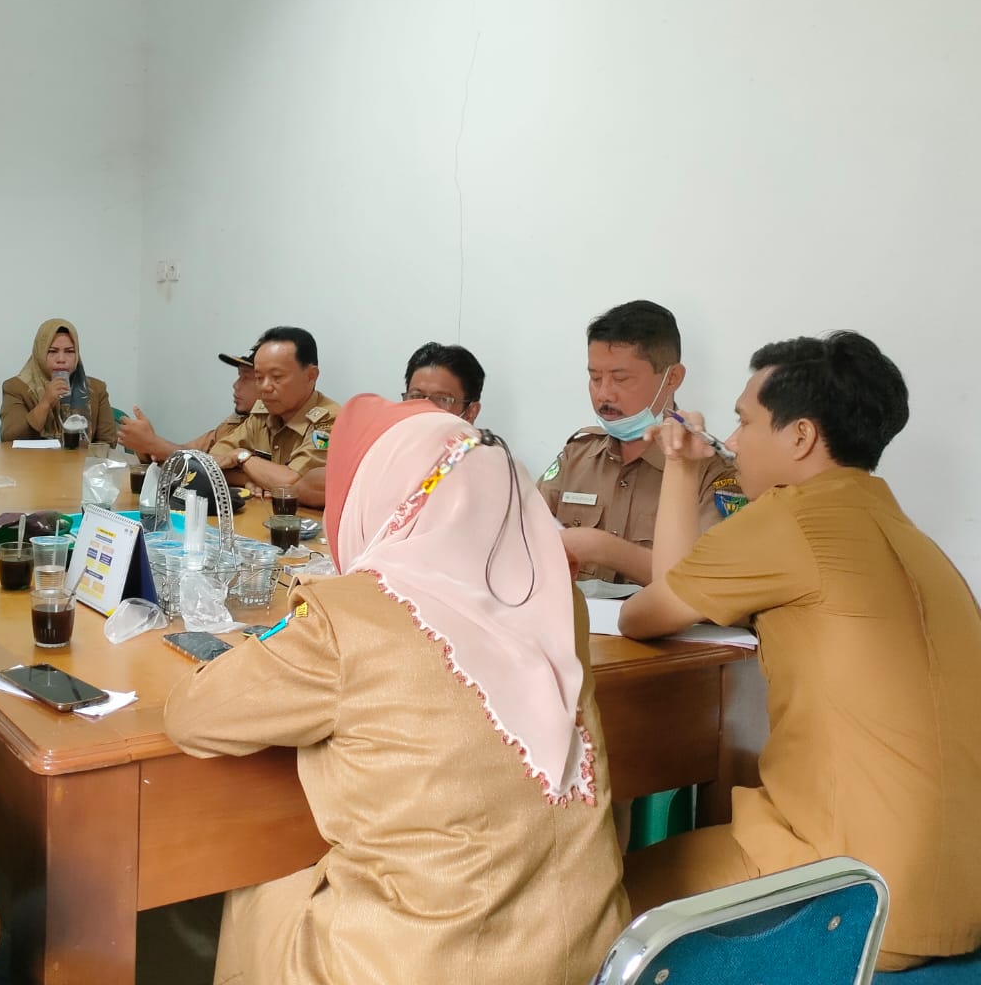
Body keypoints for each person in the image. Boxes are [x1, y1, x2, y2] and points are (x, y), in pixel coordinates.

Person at [166, 395, 629, 984]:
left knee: (264, 878)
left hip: (418, 964)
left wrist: (314, 610)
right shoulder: (561, 605)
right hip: (590, 954)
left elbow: (194, 715)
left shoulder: (347, 617)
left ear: (384, 497)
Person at [617, 332, 981, 972]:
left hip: (858, 898)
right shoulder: (914, 539)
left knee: (601, 893)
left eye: (744, 419)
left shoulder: (791, 518)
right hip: (961, 896)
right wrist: (684, 467)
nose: (732, 440)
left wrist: (679, 467)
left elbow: (644, 614)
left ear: (801, 437)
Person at [538, 300, 742, 584]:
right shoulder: (577, 455)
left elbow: (714, 581)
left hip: (663, 627)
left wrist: (604, 549)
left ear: (672, 378)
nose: (603, 394)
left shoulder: (711, 471)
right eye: (595, 378)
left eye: (621, 378)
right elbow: (523, 535)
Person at [209, 327, 340, 508]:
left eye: (277, 377)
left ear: (311, 376)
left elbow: (291, 485)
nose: (265, 387)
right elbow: (213, 462)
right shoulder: (263, 413)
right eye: (259, 377)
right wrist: (249, 479)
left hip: (308, 527)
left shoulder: (329, 422)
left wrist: (243, 456)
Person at [118, 347, 260, 463]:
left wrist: (155, 445)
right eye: (239, 375)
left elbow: (213, 465)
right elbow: (187, 451)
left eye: (246, 377)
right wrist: (148, 446)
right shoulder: (236, 421)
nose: (235, 385)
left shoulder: (268, 424)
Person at [0, 317, 117, 444]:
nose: (61, 359)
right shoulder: (16, 387)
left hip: (81, 463)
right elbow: (9, 439)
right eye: (52, 351)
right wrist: (45, 403)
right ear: (39, 353)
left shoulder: (96, 389)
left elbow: (108, 442)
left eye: (70, 352)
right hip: (32, 463)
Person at [402, 341, 485, 422]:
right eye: (416, 396)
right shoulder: (392, 434)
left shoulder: (483, 436)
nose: (425, 409)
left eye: (442, 399)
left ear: (470, 412)